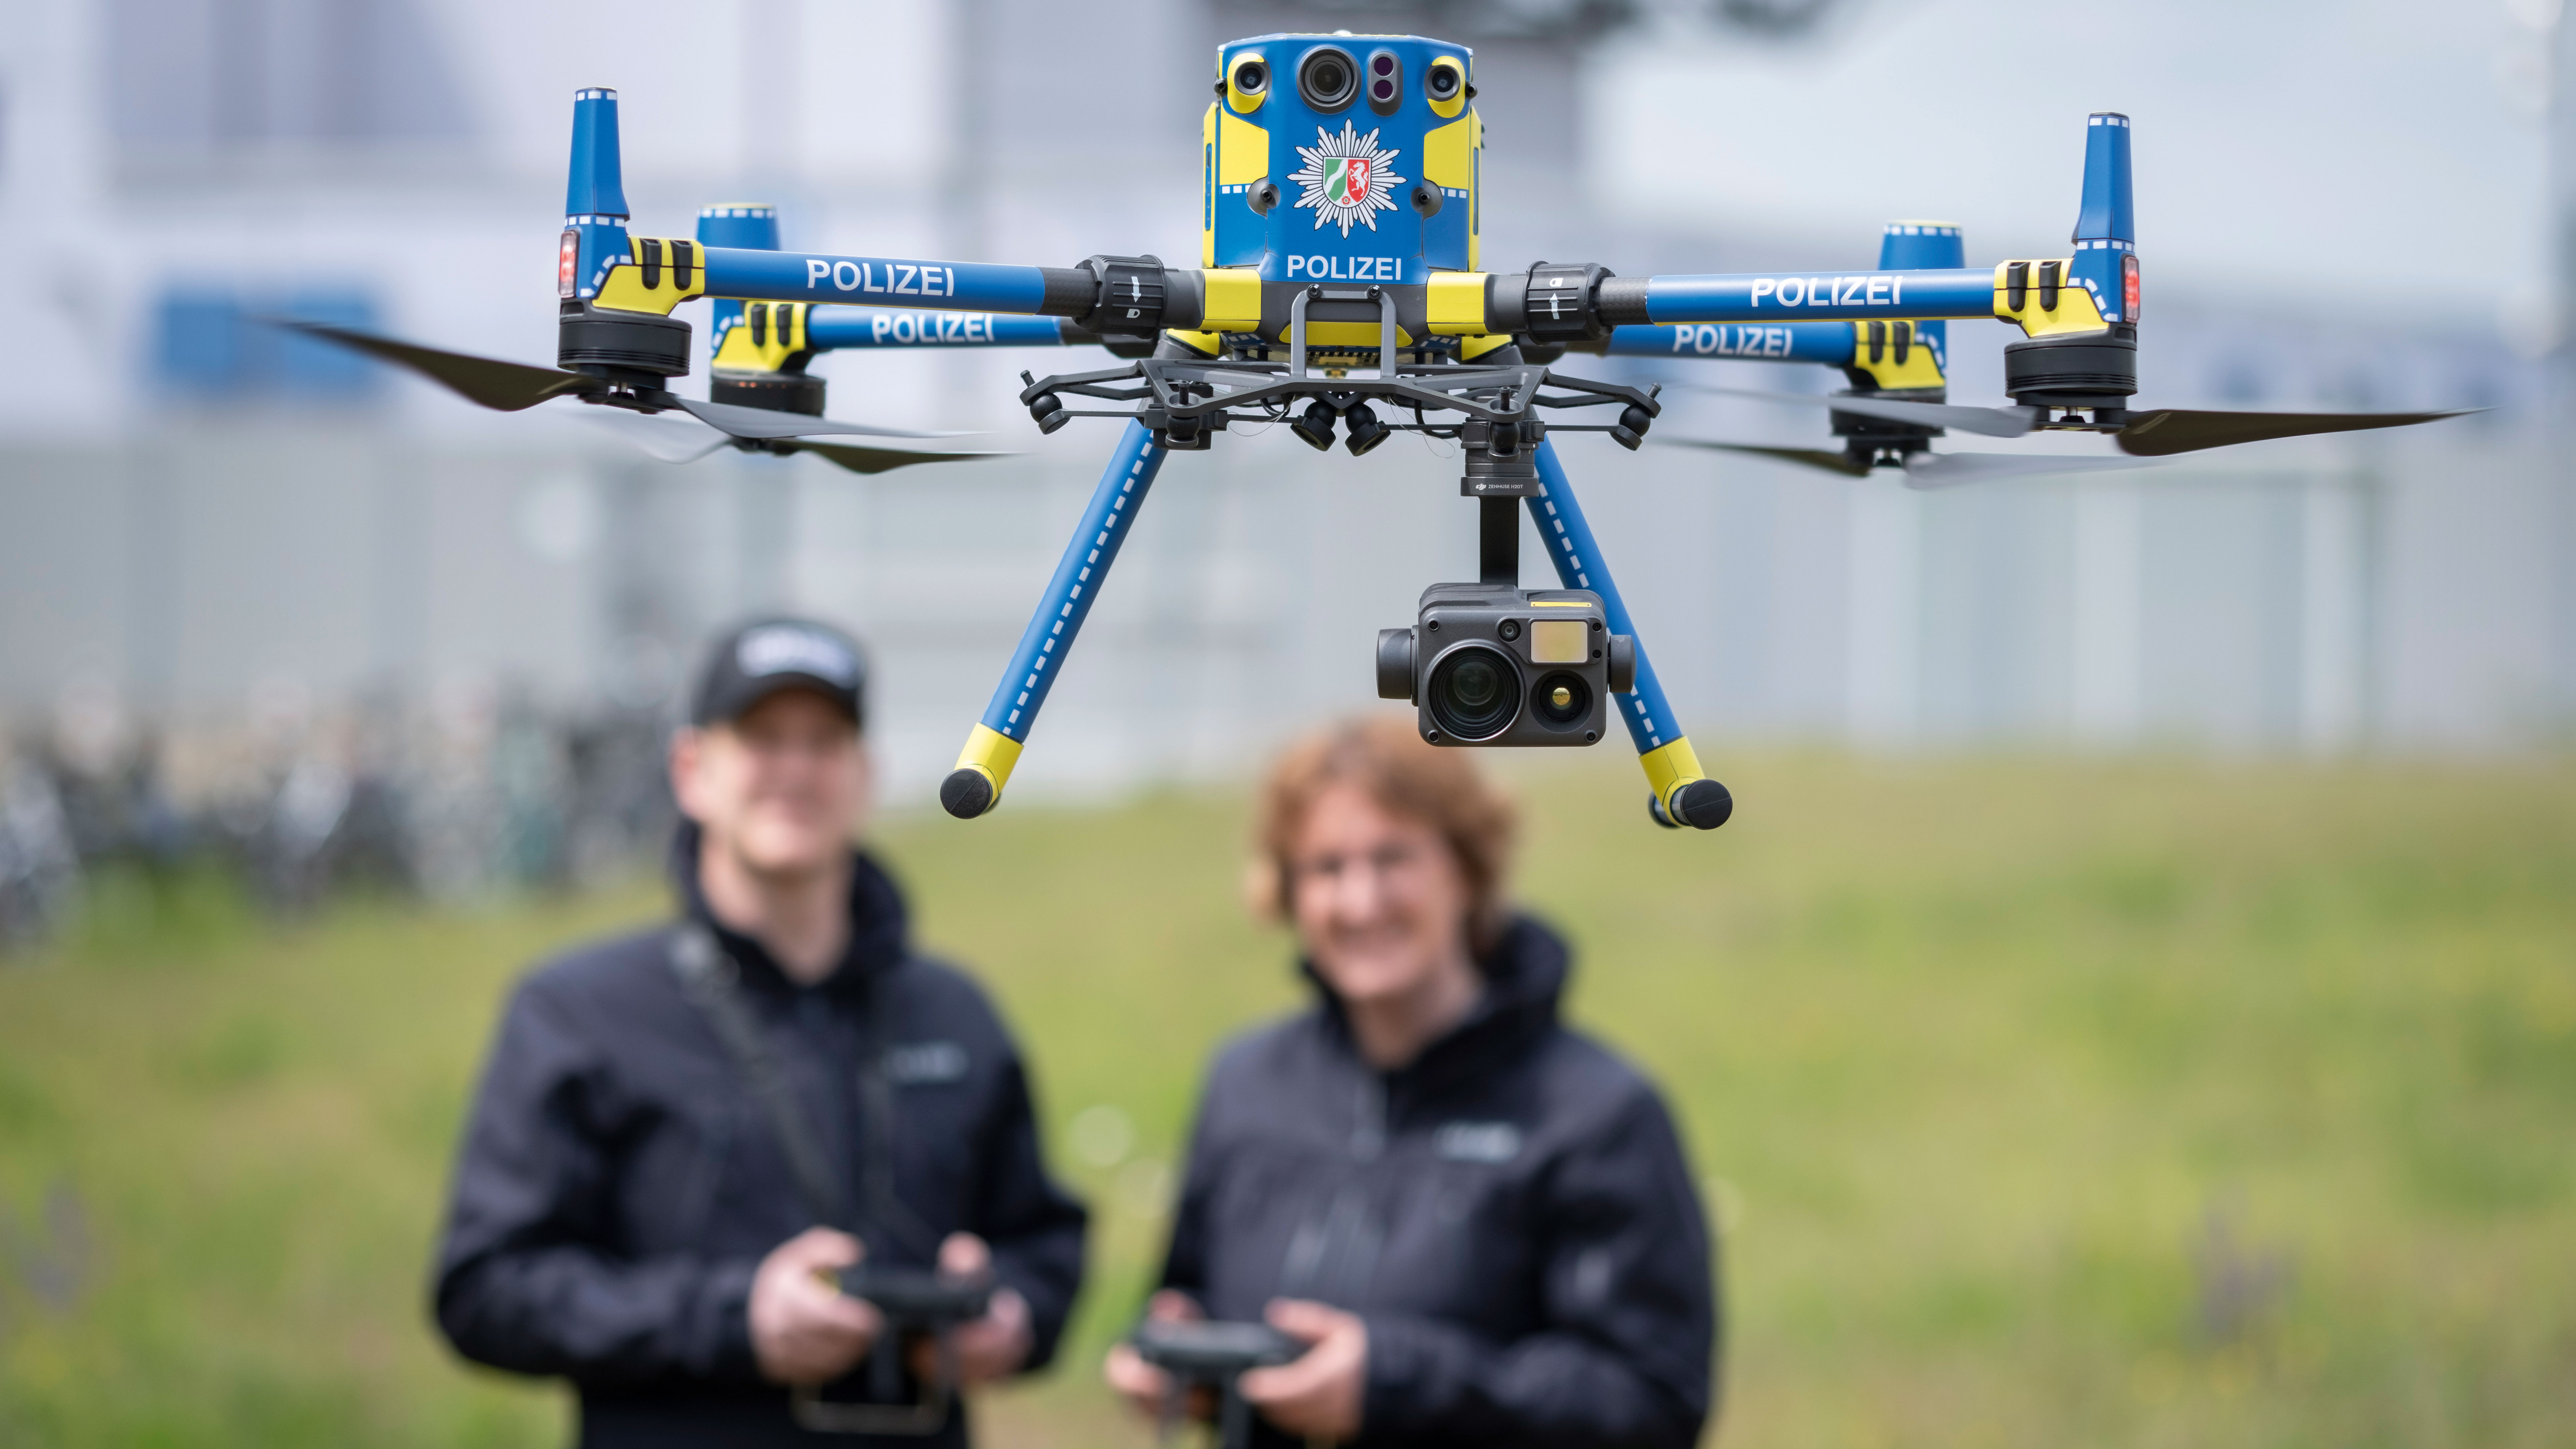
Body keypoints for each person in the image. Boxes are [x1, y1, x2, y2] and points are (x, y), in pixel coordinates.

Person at [435, 618, 1086, 1448]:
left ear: (864, 773)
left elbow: (1044, 1245)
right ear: (691, 770)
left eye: (824, 741)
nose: (794, 770)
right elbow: (486, 1288)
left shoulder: (954, 1011)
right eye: (762, 738)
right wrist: (732, 1317)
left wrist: (1009, 1313)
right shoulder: (577, 1011)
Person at [1105, 717, 1718, 1447]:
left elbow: (1652, 1398)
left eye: (1392, 859)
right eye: (1326, 868)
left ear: (1466, 869)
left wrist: (1398, 1383)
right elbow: (1190, 1293)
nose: (1360, 903)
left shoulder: (1596, 1113)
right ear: (1288, 891)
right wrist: (1176, 1354)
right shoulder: (1244, 1084)